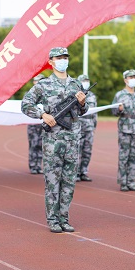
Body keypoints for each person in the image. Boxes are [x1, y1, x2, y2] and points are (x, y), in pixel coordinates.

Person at [21, 47, 88, 233]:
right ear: (51, 61)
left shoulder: (76, 84)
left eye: (65, 57)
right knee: (52, 181)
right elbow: (26, 104)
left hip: (72, 139)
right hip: (52, 140)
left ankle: (64, 218)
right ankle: (53, 219)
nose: (63, 60)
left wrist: (83, 103)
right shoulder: (43, 85)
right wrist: (42, 115)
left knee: (69, 181)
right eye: (59, 58)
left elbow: (83, 110)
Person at [112, 69, 135, 191]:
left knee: (134, 157)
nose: (133, 79)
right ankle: (123, 182)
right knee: (123, 156)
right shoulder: (119, 95)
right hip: (124, 129)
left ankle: (131, 182)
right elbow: (113, 111)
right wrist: (119, 109)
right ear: (125, 80)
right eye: (131, 77)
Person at [75, 74, 97, 182]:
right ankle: (76, 173)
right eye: (84, 80)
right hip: (78, 126)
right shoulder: (75, 94)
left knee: (87, 151)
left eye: (87, 80)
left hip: (89, 127)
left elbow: (95, 113)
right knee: (77, 150)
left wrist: (94, 126)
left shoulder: (92, 96)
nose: (86, 82)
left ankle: (83, 172)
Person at [27, 74, 45, 174]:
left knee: (42, 145)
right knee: (33, 145)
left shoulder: (46, 94)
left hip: (43, 124)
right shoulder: (30, 94)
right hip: (33, 125)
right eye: (38, 81)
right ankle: (33, 166)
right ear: (34, 82)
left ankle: (38, 166)